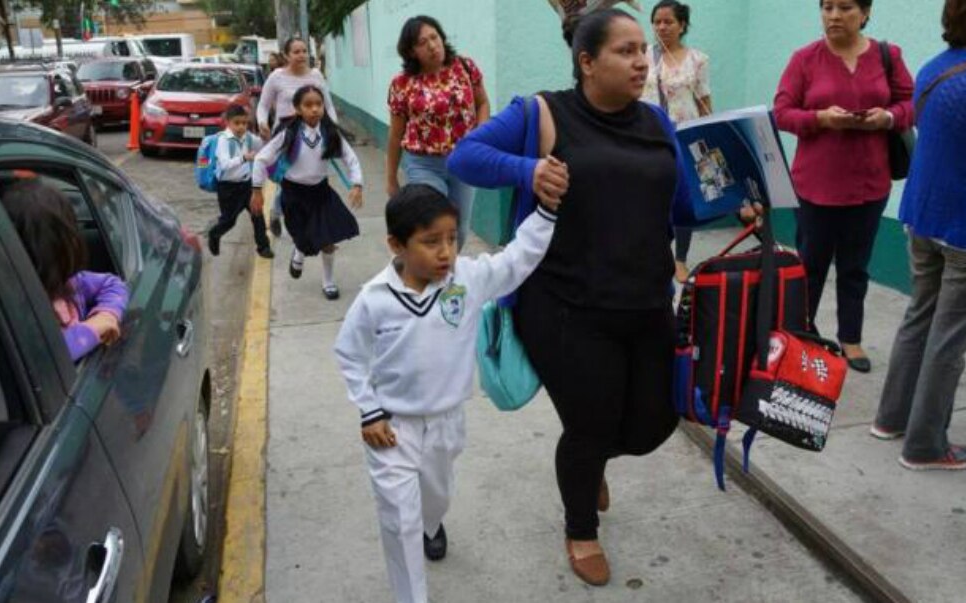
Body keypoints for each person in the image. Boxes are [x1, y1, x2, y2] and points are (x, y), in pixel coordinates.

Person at [449, 9, 700, 587]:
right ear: (587, 62)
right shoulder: (541, 112)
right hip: (565, 306)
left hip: (646, 300)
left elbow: (684, 204)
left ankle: (592, 463)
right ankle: (581, 527)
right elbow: (465, 157)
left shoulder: (657, 123)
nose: (641, 61)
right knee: (589, 423)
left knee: (654, 421)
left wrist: (737, 202)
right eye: (625, 51)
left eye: (643, 50)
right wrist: (528, 170)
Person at [334, 184, 558, 603]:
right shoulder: (374, 299)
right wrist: (369, 411)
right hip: (393, 428)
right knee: (399, 520)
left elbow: (516, 259)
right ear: (396, 245)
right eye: (431, 241)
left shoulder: (467, 280)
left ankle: (432, 525)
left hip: (447, 422)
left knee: (435, 498)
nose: (446, 252)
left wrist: (546, 213)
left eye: (452, 239)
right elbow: (349, 353)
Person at [871, 0, 966, 475]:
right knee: (949, 338)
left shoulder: (934, 68)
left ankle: (890, 418)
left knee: (919, 317)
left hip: (923, 215)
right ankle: (924, 445)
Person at [773, 0, 915, 373]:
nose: (834, 15)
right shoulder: (804, 59)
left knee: (855, 267)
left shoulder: (888, 55)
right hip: (815, 186)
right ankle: (802, 336)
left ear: (865, 13)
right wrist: (820, 118)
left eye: (846, 7)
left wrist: (887, 118)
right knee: (810, 267)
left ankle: (850, 338)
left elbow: (911, 103)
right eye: (827, 7)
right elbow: (782, 113)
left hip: (869, 184)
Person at [385, 15, 490, 249]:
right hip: (423, 164)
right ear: (411, 52)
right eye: (423, 43)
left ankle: (447, 271)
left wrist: (481, 137)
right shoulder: (402, 84)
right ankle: (427, 270)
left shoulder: (465, 67)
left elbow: (482, 103)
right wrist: (391, 178)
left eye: (434, 37)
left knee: (459, 230)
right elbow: (396, 134)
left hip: (463, 160)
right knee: (433, 223)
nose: (432, 45)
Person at [251, 84, 363, 300]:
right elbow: (261, 159)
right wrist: (257, 190)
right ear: (297, 108)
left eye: (318, 104)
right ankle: (299, 250)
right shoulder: (289, 134)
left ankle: (328, 281)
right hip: (293, 194)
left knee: (328, 239)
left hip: (321, 194)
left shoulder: (330, 133)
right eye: (308, 105)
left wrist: (357, 184)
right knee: (301, 236)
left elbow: (351, 159)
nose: (314, 109)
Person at [1, 180, 129, 362]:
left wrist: (106, 313)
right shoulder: (14, 309)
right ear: (64, 244)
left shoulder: (71, 283)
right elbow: (39, 360)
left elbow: (112, 283)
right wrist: (90, 330)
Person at [642, 0, 711, 283]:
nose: (661, 27)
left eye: (668, 21)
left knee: (684, 197)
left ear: (682, 25)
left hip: (684, 135)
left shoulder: (698, 60)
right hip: (648, 136)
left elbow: (704, 101)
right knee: (649, 195)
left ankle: (680, 258)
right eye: (657, 22)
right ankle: (653, 253)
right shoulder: (643, 55)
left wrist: (708, 137)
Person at [256, 37, 339, 238]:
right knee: (286, 177)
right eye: (296, 52)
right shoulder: (276, 77)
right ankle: (281, 212)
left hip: (313, 134)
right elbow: (263, 105)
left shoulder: (316, 76)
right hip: (286, 137)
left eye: (304, 51)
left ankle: (284, 213)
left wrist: (333, 129)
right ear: (286, 55)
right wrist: (262, 122)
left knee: (307, 177)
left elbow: (328, 106)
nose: (302, 55)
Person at [207, 104, 272, 259]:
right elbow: (224, 164)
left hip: (246, 185)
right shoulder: (223, 140)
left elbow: (263, 146)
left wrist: (266, 137)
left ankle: (263, 247)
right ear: (227, 122)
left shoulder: (248, 137)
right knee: (229, 221)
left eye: (244, 123)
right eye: (237, 123)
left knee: (258, 216)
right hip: (228, 188)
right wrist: (244, 158)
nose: (241, 127)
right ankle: (214, 234)